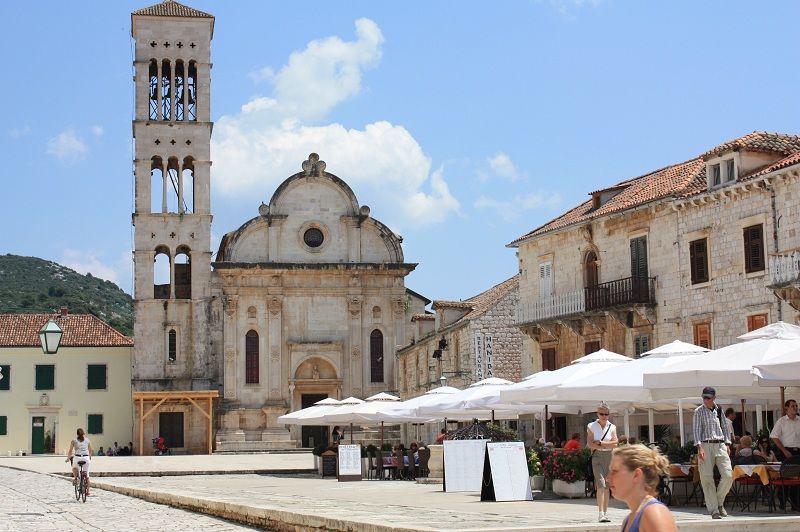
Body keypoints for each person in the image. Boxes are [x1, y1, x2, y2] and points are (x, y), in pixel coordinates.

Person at [608, 445, 678, 532]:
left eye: (614, 471)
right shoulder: (628, 520)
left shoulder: (654, 513)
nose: (608, 478)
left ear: (636, 475)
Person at [692, 386, 733, 519]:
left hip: (720, 444)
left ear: (714, 398)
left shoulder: (719, 409)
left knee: (728, 475)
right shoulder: (698, 411)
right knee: (707, 478)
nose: (705, 399)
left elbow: (725, 428)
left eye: (708, 397)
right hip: (705, 444)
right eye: (704, 397)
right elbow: (696, 430)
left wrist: (727, 443)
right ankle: (714, 510)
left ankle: (719, 502)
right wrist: (699, 447)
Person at [587, 401, 618, 523]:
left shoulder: (612, 427)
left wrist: (600, 443)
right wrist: (604, 445)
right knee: (601, 484)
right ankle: (600, 514)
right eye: (601, 414)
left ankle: (605, 513)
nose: (604, 416)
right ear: (597, 414)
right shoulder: (591, 426)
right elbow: (590, 444)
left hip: (609, 456)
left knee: (607, 486)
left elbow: (615, 443)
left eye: (606, 414)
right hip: (597, 457)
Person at [65, 428, 94, 496]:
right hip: (86, 458)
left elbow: (70, 451)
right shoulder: (87, 440)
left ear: (77, 434)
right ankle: (88, 491)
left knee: (74, 467)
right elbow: (90, 450)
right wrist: (89, 457)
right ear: (84, 433)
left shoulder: (74, 440)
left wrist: (68, 458)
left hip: (77, 457)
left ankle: (75, 478)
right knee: (87, 475)